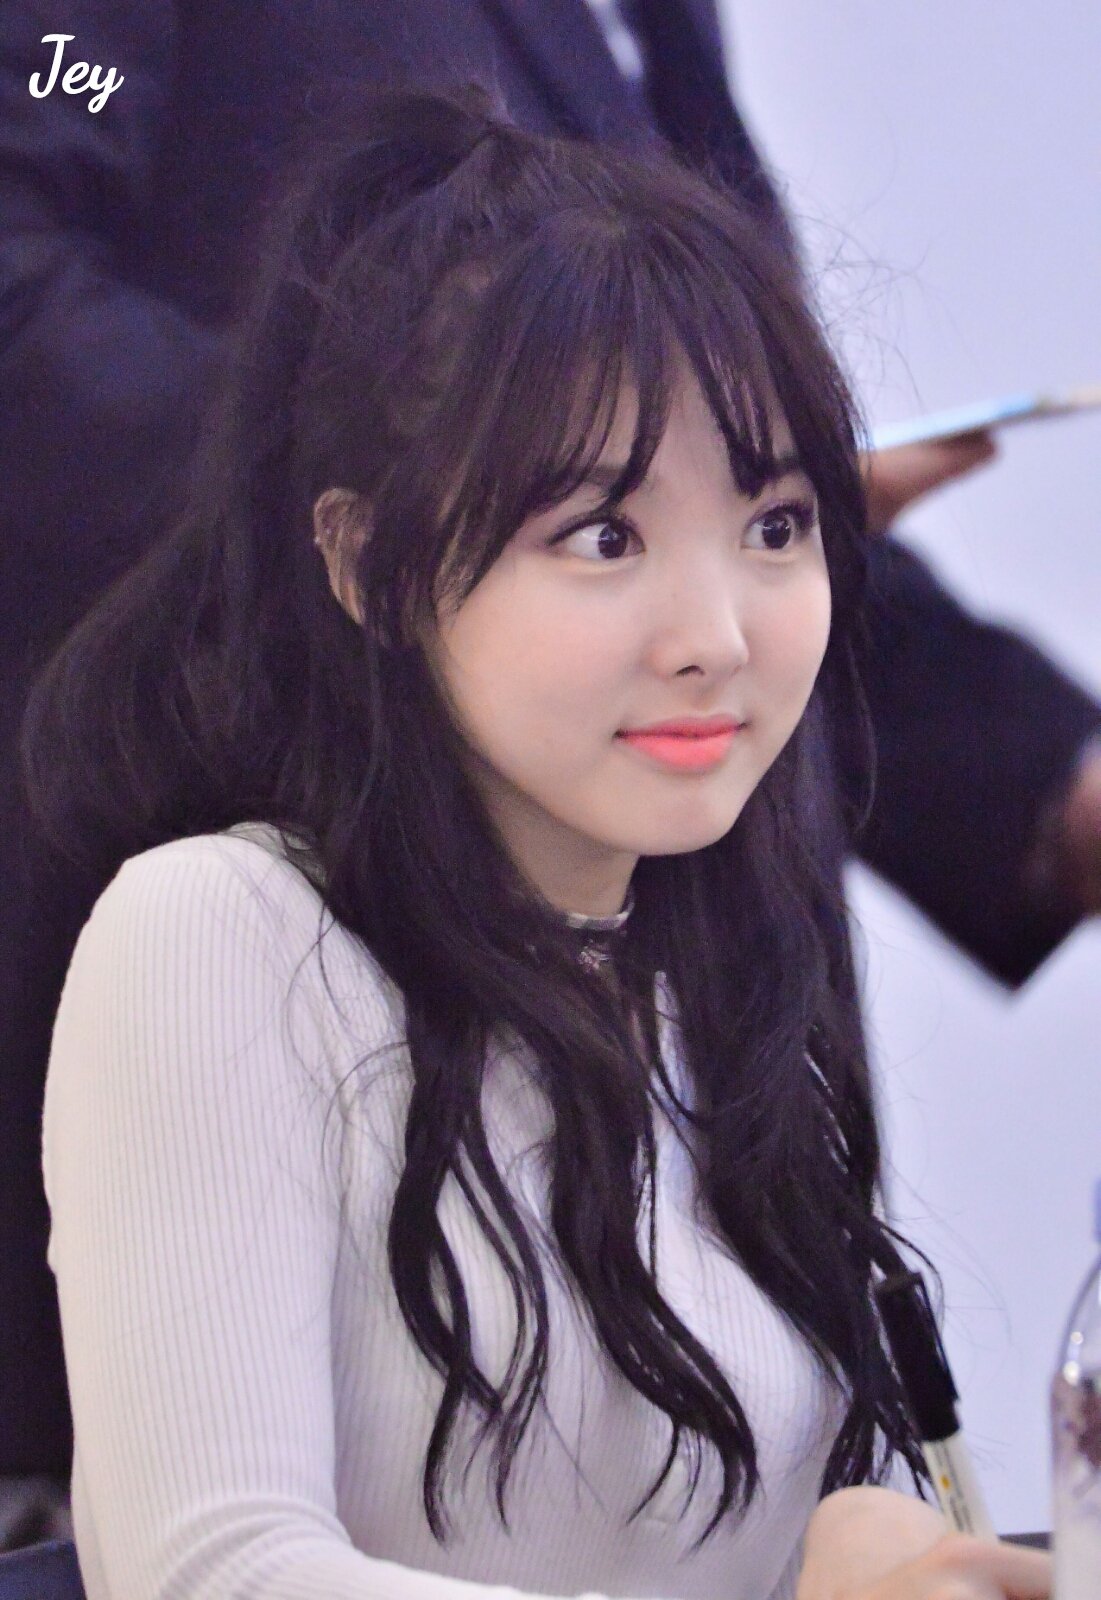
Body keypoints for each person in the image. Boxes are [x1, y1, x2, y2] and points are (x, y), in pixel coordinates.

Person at [2, 0, 1099, 1520]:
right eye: (601, 533)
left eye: (776, 526)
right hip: (313, 957)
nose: (708, 631)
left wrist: (1053, 786)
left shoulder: (720, 951)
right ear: (358, 550)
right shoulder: (214, 952)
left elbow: (709, 541)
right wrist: (465, 467)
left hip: (654, 973)